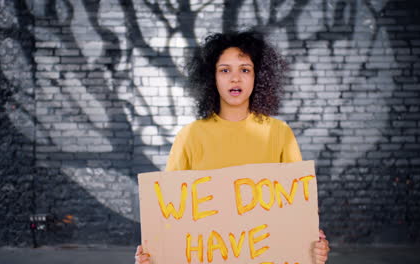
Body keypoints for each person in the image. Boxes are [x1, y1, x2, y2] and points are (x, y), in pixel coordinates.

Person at [135, 30, 330, 264]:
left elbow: (300, 210)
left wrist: (313, 248)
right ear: (212, 78)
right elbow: (171, 219)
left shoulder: (280, 133)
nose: (235, 78)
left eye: (245, 70)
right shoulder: (190, 136)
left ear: (258, 76)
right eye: (225, 70)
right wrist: (152, 256)